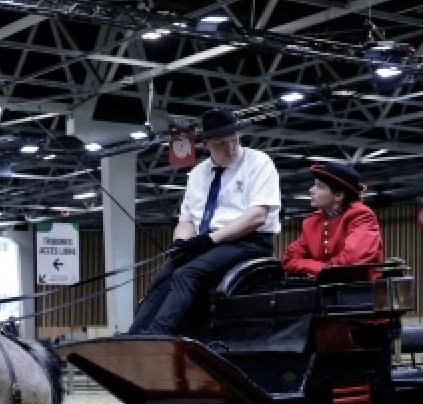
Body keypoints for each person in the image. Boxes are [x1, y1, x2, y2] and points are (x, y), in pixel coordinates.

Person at [129, 106, 281, 335]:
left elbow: (257, 215)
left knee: (187, 274)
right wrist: (180, 243)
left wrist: (210, 240)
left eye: (234, 140)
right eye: (221, 143)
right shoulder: (198, 173)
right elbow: (187, 220)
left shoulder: (259, 162)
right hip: (209, 243)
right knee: (162, 277)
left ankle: (157, 335)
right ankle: (133, 335)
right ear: (206, 144)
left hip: (249, 242)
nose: (230, 148)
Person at [282, 160, 383, 276]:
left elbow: (351, 262)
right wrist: (323, 269)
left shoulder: (361, 215)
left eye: (319, 187)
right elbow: (288, 260)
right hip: (323, 290)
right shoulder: (311, 222)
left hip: (360, 290)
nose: (311, 190)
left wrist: (314, 267)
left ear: (339, 195)